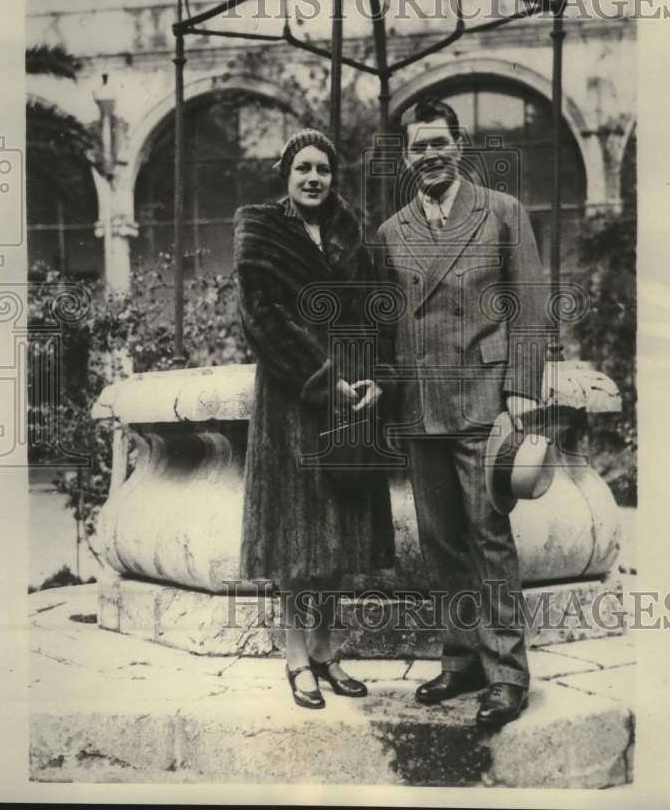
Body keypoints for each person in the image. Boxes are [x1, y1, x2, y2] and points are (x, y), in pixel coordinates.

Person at [374, 98, 549, 727]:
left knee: (490, 539)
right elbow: (387, 324)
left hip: (483, 401)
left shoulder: (502, 213)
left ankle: (507, 673)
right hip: (421, 405)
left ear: (460, 145)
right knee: (441, 543)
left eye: (438, 144)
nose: (429, 157)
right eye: (418, 147)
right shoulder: (393, 231)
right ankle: (461, 660)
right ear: (407, 156)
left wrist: (521, 392)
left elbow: (530, 305)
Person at [233, 128, 395, 710]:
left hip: (352, 397)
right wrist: (324, 378)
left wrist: (378, 375)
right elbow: (262, 317)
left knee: (341, 535)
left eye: (323, 169)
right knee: (296, 539)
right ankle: (296, 656)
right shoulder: (259, 229)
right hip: (293, 396)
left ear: (333, 177)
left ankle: (327, 652)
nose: (313, 178)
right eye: (303, 167)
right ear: (286, 172)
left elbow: (381, 309)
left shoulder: (353, 232)